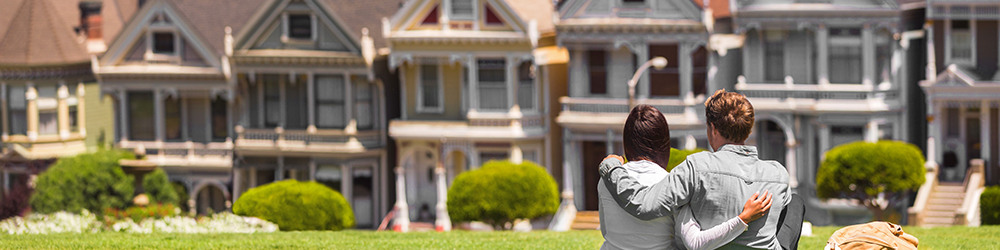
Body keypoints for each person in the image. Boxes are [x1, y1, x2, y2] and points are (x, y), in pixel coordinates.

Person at [600, 89, 791, 250]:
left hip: (710, 240)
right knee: (795, 204)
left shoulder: (697, 167)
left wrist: (611, 167)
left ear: (713, 129)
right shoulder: (779, 174)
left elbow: (643, 204)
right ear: (748, 130)